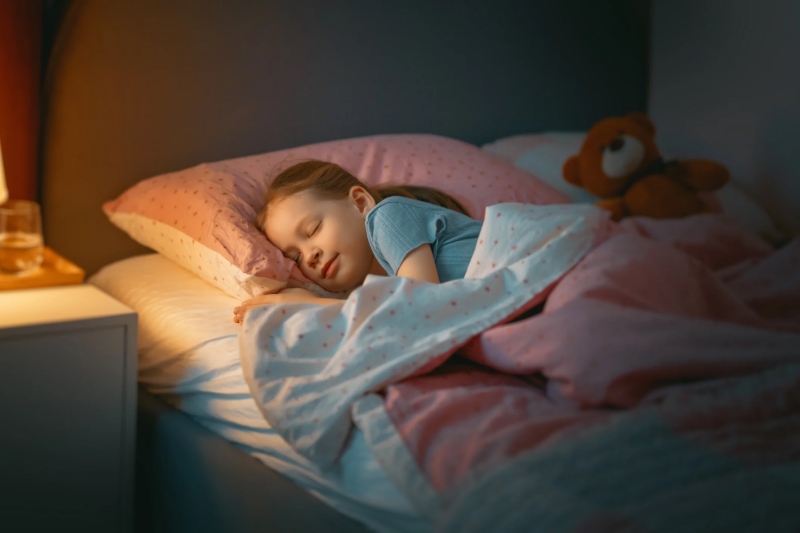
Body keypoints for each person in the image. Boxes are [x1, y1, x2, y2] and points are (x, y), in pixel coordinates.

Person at [233, 160, 483, 323]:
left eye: (313, 229)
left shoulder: (388, 215)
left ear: (360, 203)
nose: (309, 256)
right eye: (296, 257)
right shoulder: (368, 292)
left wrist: (312, 304)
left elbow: (419, 309)